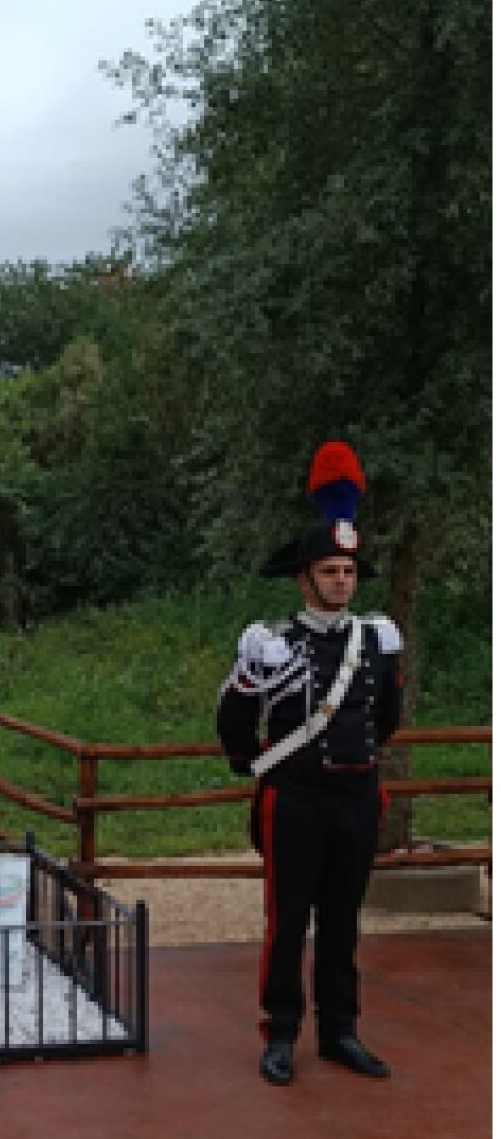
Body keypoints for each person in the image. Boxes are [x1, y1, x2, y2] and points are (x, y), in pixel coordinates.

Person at [217, 441, 404, 1086]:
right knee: (288, 921)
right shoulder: (273, 644)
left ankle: (340, 1032)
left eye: (348, 572)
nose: (341, 582)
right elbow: (234, 723)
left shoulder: (376, 640)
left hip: (357, 796)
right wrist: (256, 760)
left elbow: (387, 718)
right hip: (295, 798)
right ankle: (280, 1033)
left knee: (343, 920)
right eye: (329, 572)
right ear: (305, 580)